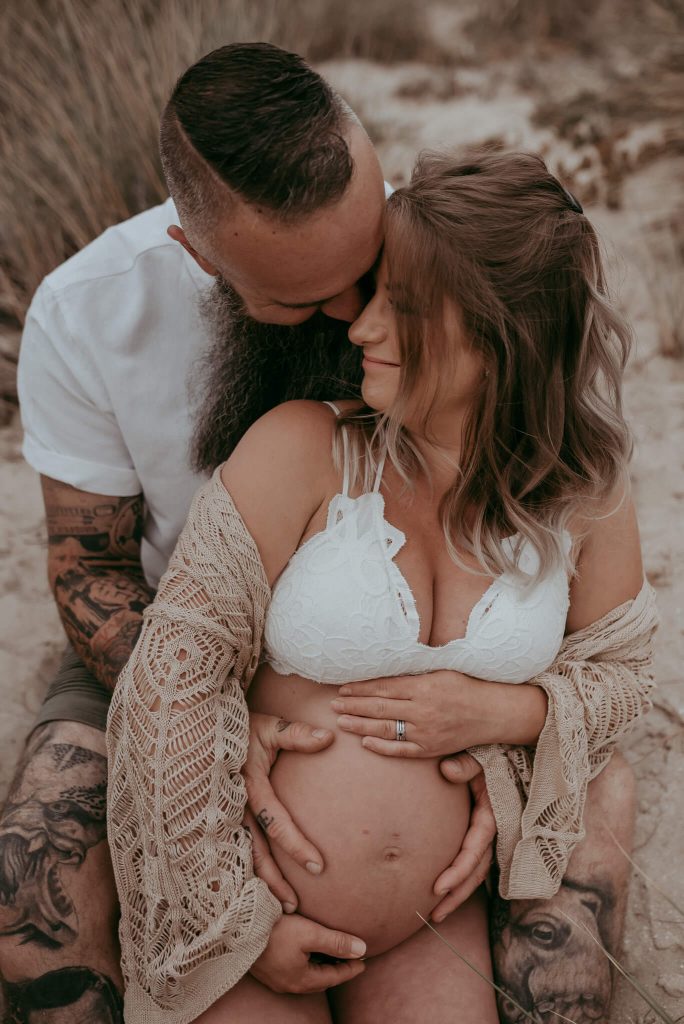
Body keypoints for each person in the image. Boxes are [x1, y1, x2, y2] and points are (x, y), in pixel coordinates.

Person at [4, 41, 649, 1024]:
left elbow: (604, 638)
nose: (354, 320)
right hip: (154, 632)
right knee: (32, 891)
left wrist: (505, 737)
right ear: (203, 259)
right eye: (313, 298)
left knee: (565, 952)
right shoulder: (91, 317)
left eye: (378, 276)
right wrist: (227, 742)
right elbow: (96, 574)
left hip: (411, 838)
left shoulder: (429, 236)